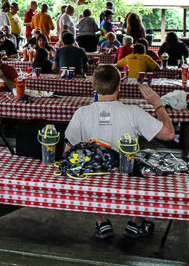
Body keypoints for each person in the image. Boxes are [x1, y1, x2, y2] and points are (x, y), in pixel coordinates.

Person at [65, 64, 174, 240]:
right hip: (128, 178)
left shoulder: (81, 114)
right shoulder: (133, 112)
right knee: (148, 161)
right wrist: (157, 103)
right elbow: (169, 134)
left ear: (93, 85)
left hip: (95, 179)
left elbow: (68, 153)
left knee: (83, 165)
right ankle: (136, 223)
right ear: (119, 86)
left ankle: (101, 221)